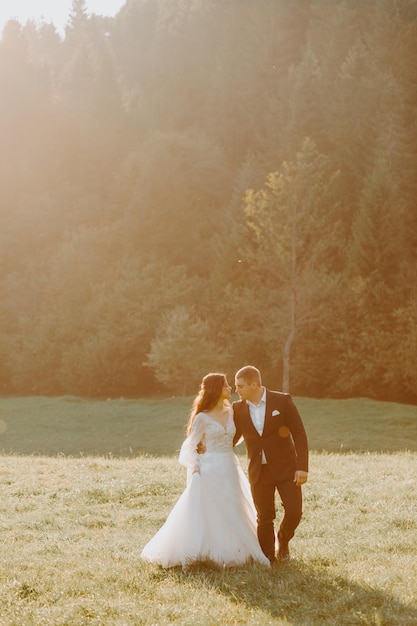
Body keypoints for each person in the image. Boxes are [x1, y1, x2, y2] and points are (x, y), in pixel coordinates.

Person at [140, 373, 270, 569]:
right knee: (211, 510)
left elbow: (238, 435)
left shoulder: (232, 411)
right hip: (209, 468)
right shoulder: (202, 417)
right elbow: (189, 446)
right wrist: (196, 468)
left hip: (229, 466)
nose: (231, 388)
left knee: (234, 505)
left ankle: (239, 549)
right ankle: (207, 551)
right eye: (226, 385)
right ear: (216, 389)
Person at [233, 365, 308, 564]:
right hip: (259, 471)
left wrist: (302, 466)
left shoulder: (282, 401)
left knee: (294, 511)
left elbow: (299, 433)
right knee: (264, 517)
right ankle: (267, 559)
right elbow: (232, 438)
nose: (236, 390)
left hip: (287, 469)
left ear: (254, 384)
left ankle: (283, 540)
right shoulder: (237, 409)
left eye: (240, 386)